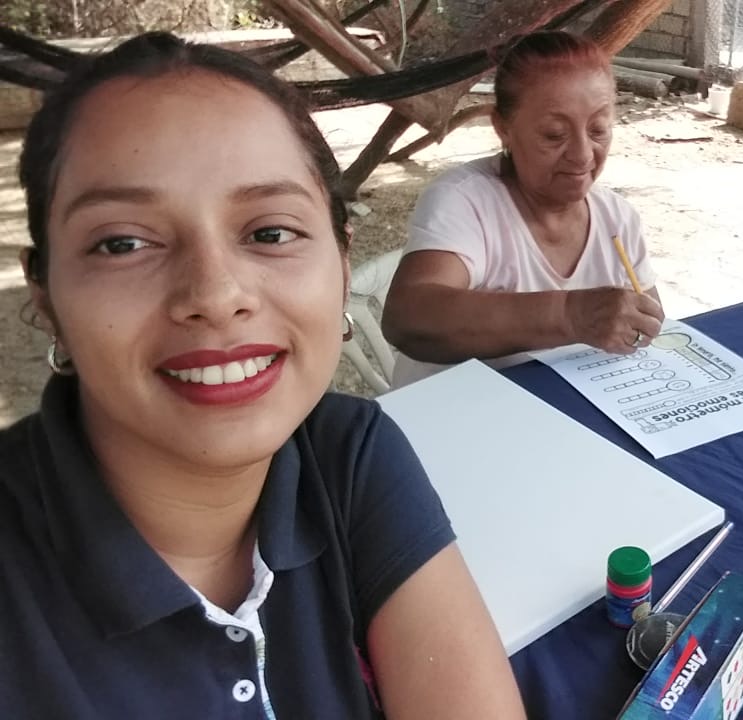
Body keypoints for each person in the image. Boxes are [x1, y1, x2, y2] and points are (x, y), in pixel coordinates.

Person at [1, 33, 524, 718]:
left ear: (342, 265)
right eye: (123, 243)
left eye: (270, 233)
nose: (216, 295)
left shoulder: (347, 453)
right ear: (46, 297)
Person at [382, 31, 664, 388]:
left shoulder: (617, 218)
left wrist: (635, 325)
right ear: (504, 128)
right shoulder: (466, 202)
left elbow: (647, 325)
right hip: (454, 409)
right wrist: (569, 314)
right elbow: (410, 318)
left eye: (598, 130)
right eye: (554, 134)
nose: (582, 155)